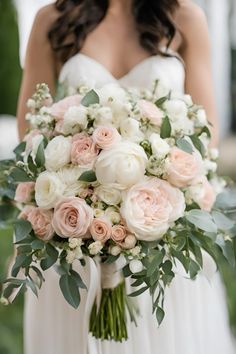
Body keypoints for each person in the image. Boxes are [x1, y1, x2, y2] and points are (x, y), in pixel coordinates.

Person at [16, 1, 235, 353]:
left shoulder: (185, 18)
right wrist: (87, 195)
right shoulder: (53, 20)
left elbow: (204, 135)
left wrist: (154, 177)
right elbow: (30, 134)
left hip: (162, 238)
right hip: (75, 237)